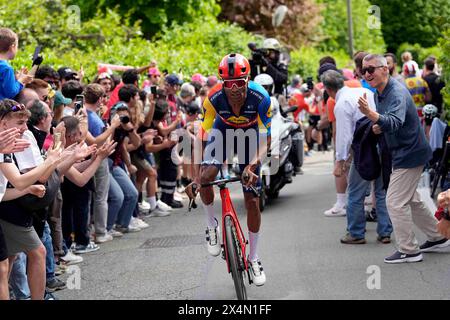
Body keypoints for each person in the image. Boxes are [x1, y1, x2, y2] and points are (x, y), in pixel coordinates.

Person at [357, 54, 450, 263]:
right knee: (412, 199)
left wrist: (371, 115)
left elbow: (395, 121)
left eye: (371, 69)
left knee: (395, 202)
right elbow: (393, 121)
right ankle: (437, 237)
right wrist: (379, 125)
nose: (367, 74)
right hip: (404, 152)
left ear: (385, 70)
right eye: (364, 70)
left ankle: (410, 250)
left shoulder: (395, 92)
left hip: (409, 153)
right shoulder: (380, 92)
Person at [194, 53, 271, 286]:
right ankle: (212, 226)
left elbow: (266, 139)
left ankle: (254, 257)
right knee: (206, 176)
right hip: (223, 132)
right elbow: (201, 136)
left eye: (239, 82)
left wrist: (251, 165)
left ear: (248, 80)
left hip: (251, 137)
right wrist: (196, 174)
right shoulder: (214, 98)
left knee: (252, 199)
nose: (234, 88)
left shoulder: (261, 98)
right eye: (229, 84)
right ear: (222, 83)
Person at [321, 70, 393, 243]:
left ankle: (356, 232)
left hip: (364, 149)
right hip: (382, 143)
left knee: (354, 192)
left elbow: (344, 136)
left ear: (328, 90)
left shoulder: (341, 103)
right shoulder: (365, 91)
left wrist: (341, 161)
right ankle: (385, 232)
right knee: (381, 191)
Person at [0, 28, 33, 100]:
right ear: (12, 47)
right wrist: (21, 81)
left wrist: (16, 79)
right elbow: (10, 93)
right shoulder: (6, 68)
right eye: (17, 47)